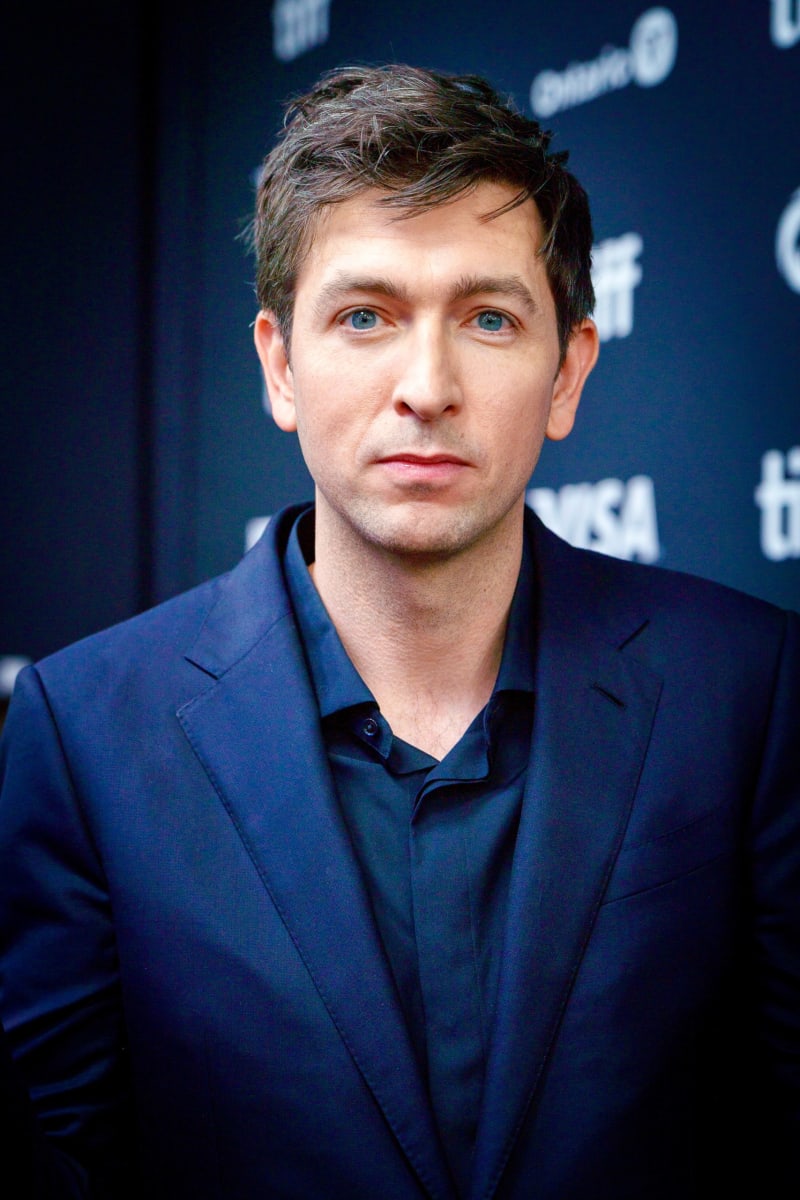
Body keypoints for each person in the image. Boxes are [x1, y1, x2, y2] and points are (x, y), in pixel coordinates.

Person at [0, 64, 798, 1200]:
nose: (425, 385)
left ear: (566, 372)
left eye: (485, 317)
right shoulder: (84, 733)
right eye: (365, 316)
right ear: (280, 364)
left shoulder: (749, 691)